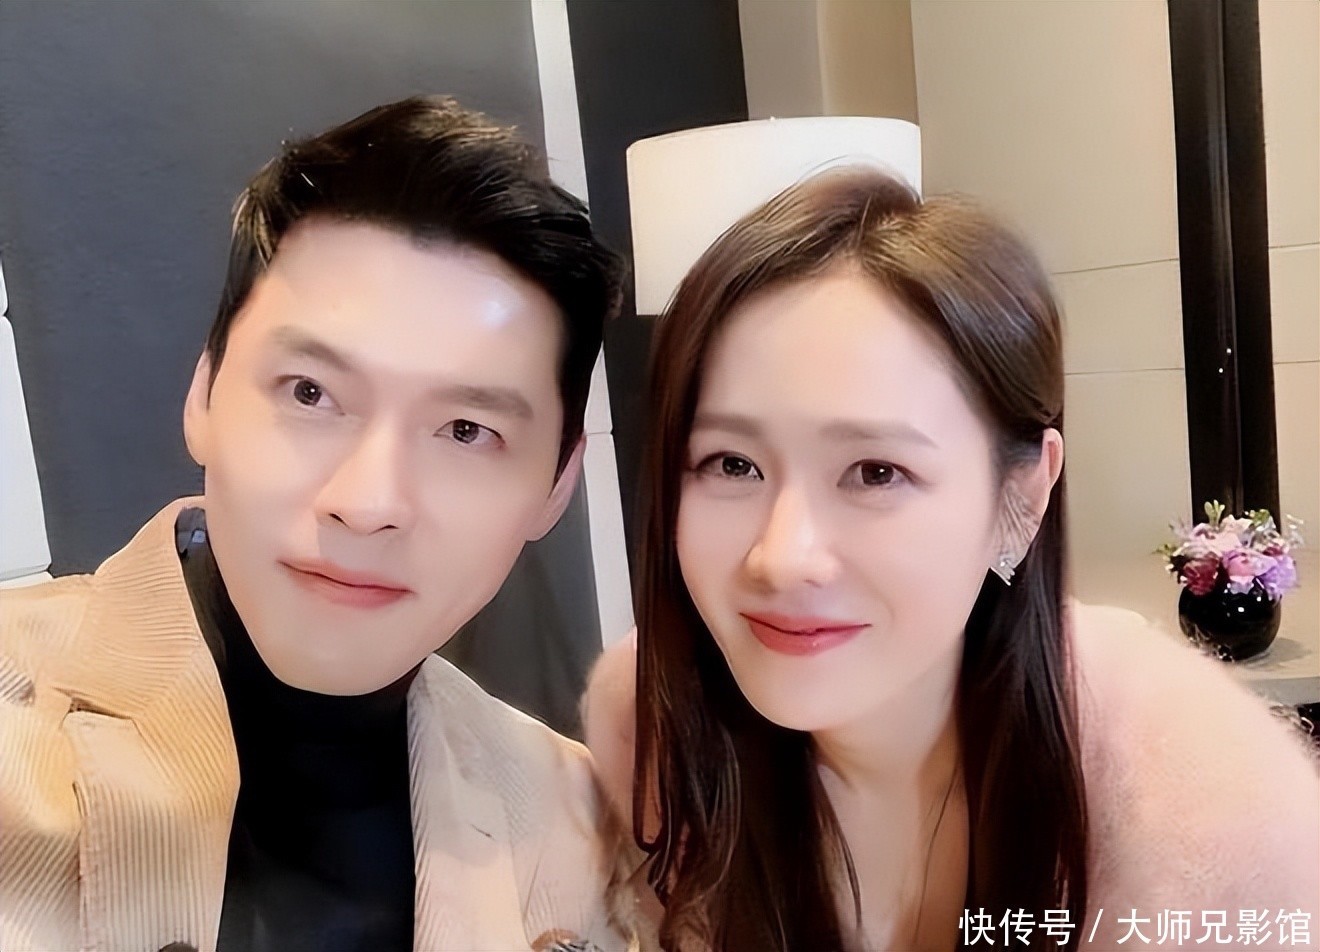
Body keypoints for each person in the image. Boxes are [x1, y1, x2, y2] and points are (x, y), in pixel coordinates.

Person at [584, 168, 1319, 951]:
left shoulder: (1212, 823)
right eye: (732, 464)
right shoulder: (655, 752)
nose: (782, 557)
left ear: (1022, 497)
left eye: (876, 472)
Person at [0, 96, 635, 952]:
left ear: (556, 485)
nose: (367, 503)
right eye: (311, 393)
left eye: (465, 430)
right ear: (204, 396)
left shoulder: (585, 827)